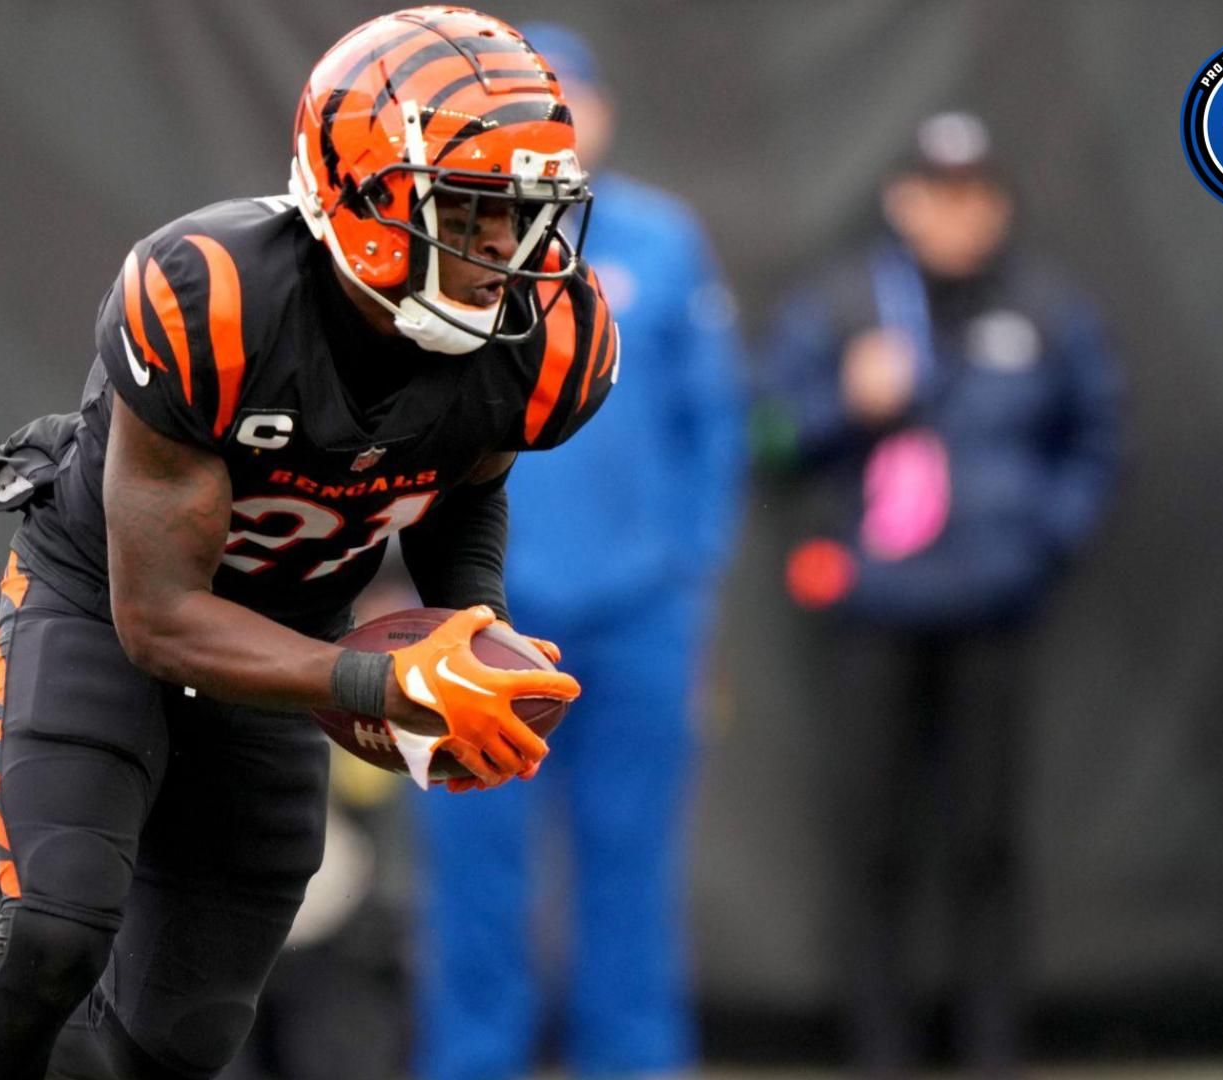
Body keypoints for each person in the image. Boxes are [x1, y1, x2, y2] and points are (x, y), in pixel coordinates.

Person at [0, 8, 616, 1080]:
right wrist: (379, 679)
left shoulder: (543, 342)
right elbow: (160, 620)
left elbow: (468, 484)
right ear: (363, 194)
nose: (505, 249)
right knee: (55, 942)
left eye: (522, 211)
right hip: (107, 610)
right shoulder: (216, 298)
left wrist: (467, 627)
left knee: (168, 1043)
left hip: (287, 639)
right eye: (469, 207)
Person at [410, 22, 745, 1080]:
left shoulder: (661, 242)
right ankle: (471, 1066)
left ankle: (635, 1065)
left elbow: (716, 429)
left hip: (638, 618)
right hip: (482, 622)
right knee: (475, 882)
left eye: (567, 99)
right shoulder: (444, 243)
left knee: (631, 874)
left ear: (595, 114)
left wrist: (685, 586)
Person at [758, 112, 1120, 1077]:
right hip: (874, 615)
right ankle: (879, 1050)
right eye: (939, 193)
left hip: (994, 614)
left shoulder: (1046, 310)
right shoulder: (840, 307)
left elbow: (1095, 439)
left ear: (997, 205)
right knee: (874, 843)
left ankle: (991, 1048)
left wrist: (1043, 539)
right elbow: (768, 441)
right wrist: (847, 403)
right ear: (902, 200)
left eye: (976, 195)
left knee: (988, 842)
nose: (958, 215)